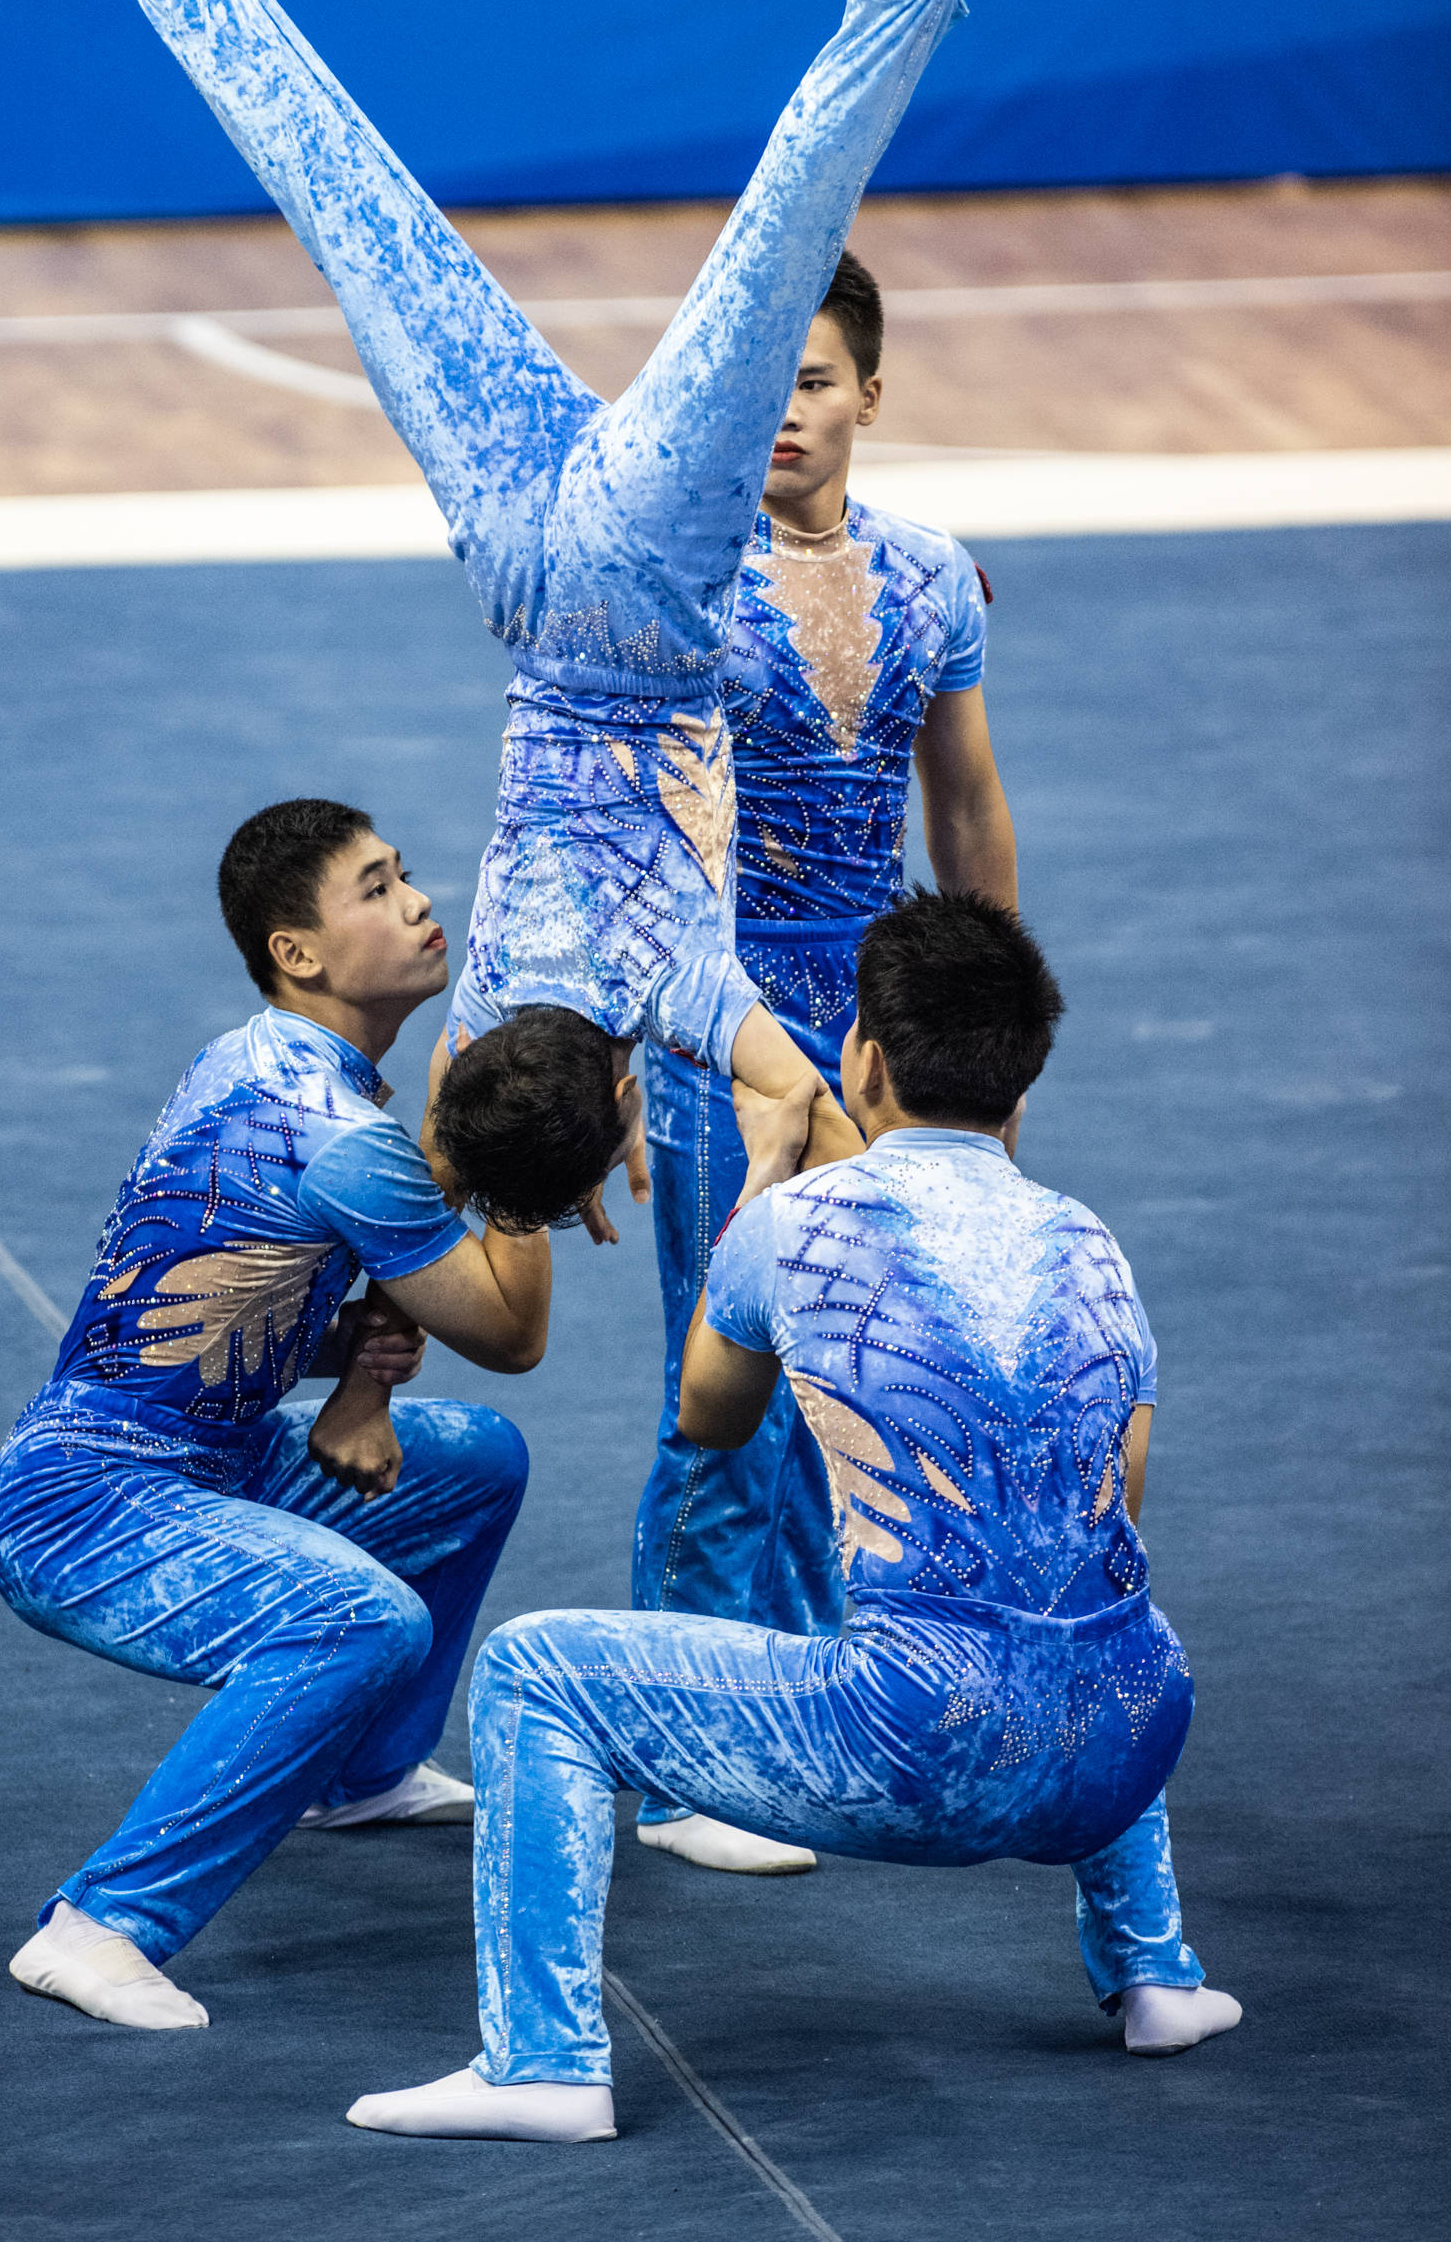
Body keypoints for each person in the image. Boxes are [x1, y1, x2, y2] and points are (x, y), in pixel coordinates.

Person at [14, 0, 1099, 1237]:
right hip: (519, 573)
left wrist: (869, 1151)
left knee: (782, 246)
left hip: (640, 599)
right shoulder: (484, 1011)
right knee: (353, 207)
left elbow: (806, 1105)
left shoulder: (682, 989)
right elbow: (449, 1159)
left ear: (607, 1108)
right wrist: (420, 1296)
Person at [345, 891, 1241, 2144]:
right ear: (1019, 1090)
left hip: (917, 1746)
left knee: (531, 1669)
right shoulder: (1091, 1244)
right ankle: (1156, 1976)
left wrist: (760, 1186)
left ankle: (540, 2060)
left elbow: (708, 1417)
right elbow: (1115, 1514)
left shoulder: (793, 1222)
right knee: (1088, 1616)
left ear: (860, 1062)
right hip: (1128, 1748)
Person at [0, 797, 549, 2032]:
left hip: (201, 1450)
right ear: (297, 951)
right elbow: (508, 1336)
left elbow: (223, 1314)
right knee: (362, 1620)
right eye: (376, 888)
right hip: (87, 1502)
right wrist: (530, 1165)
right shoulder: (349, 1142)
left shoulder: (246, 1059)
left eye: (407, 876)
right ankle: (102, 1924)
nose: (417, 903)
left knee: (474, 1463)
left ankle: (361, 1775)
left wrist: (354, 1357)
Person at [632, 253, 1019, 1876]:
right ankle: (681, 1754)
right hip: (730, 1018)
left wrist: (991, 1044)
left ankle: (807, 1693)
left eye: (809, 379)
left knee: (863, 1361)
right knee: (730, 1374)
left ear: (871, 391)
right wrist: (673, 1046)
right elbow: (651, 843)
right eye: (753, 382)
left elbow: (968, 808)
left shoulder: (934, 578)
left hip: (883, 1022)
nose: (780, 412)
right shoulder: (676, 575)